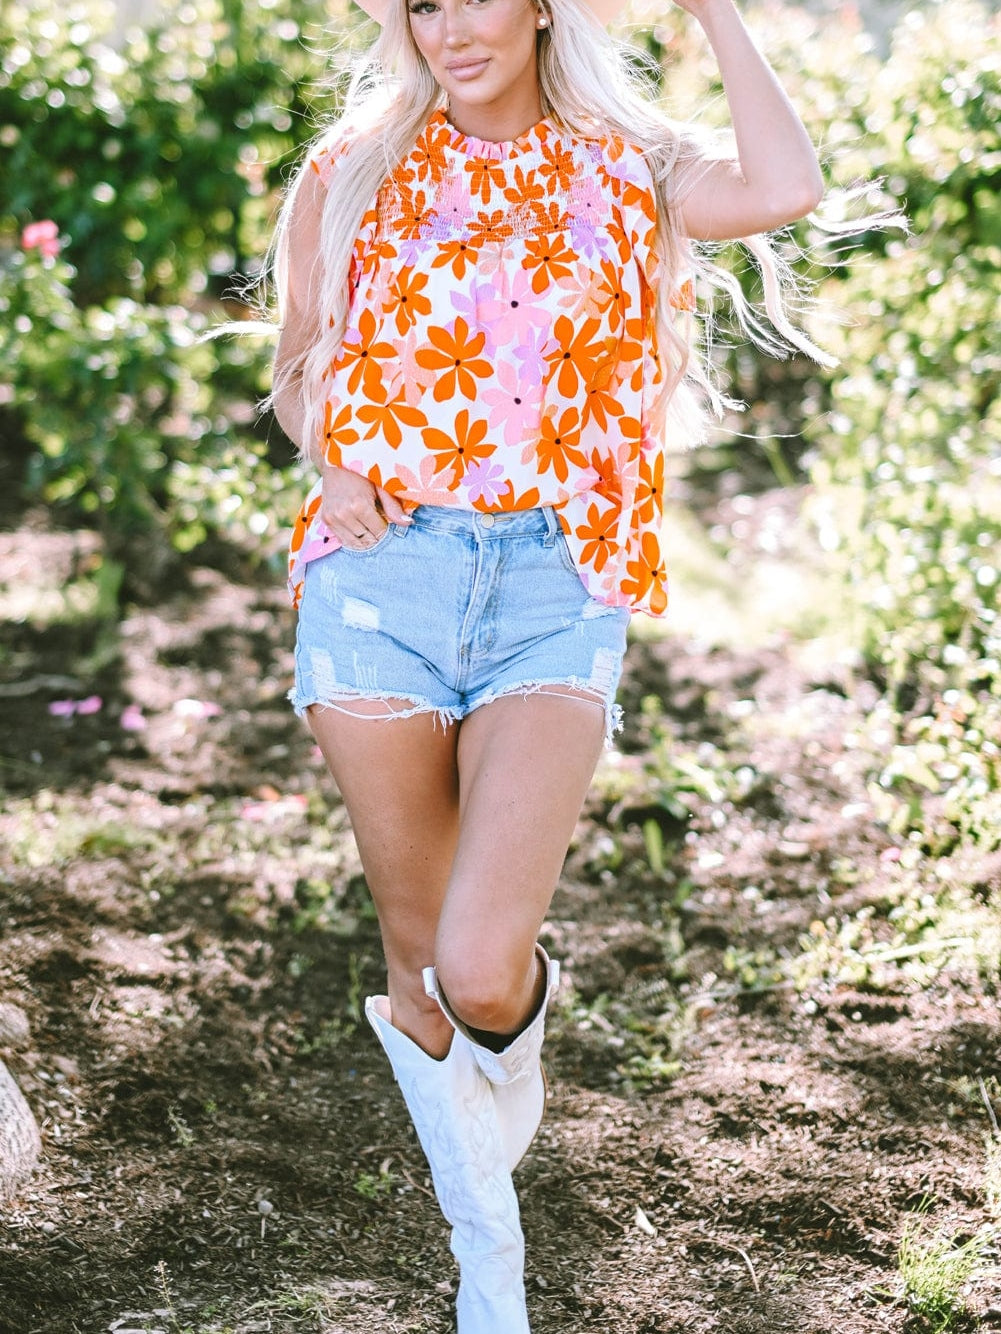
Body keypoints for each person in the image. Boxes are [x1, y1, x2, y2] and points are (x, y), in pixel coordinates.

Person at [267, 0, 824, 1326]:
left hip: (553, 585)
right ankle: (490, 1264)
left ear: (539, 5)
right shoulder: (352, 166)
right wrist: (331, 457)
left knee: (477, 964)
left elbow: (785, 186)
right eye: (422, 2)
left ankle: (503, 1066)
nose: (449, 27)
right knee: (417, 960)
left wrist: (709, 8)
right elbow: (297, 368)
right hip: (380, 581)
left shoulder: (626, 159)